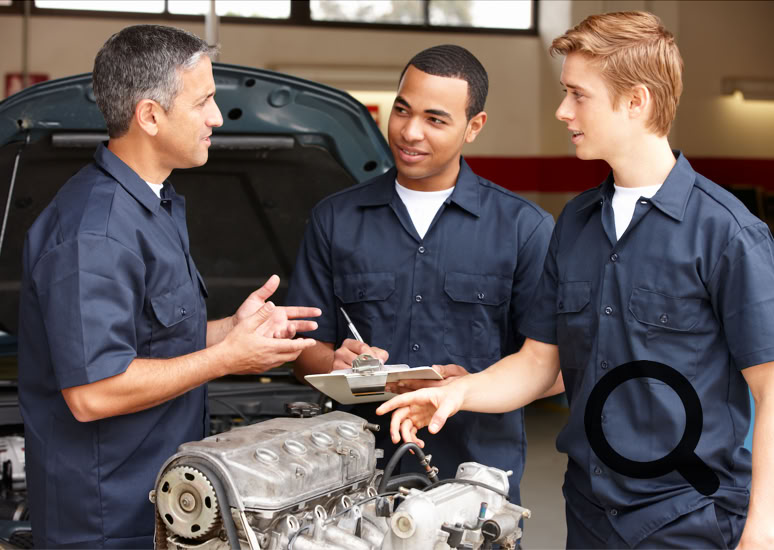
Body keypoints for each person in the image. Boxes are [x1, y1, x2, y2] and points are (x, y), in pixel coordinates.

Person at [377, 11, 774, 550]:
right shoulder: (577, 224)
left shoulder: (727, 233)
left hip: (691, 519)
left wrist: (763, 529)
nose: (562, 111)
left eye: (577, 95)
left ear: (636, 101)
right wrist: (456, 393)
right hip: (590, 514)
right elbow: (542, 365)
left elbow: (770, 387)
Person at [17, 25, 320, 549]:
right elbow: (94, 392)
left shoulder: (154, 204)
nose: (217, 118)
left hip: (165, 501)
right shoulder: (97, 233)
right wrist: (227, 359)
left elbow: (150, 341)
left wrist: (233, 331)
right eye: (203, 101)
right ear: (150, 115)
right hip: (107, 520)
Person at [286, 44, 554, 505]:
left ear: (475, 126)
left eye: (435, 119)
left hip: (475, 481)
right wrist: (333, 362)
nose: (410, 132)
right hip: (353, 480)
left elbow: (552, 367)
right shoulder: (335, 219)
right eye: (402, 110)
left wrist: (471, 386)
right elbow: (305, 352)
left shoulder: (524, 229)